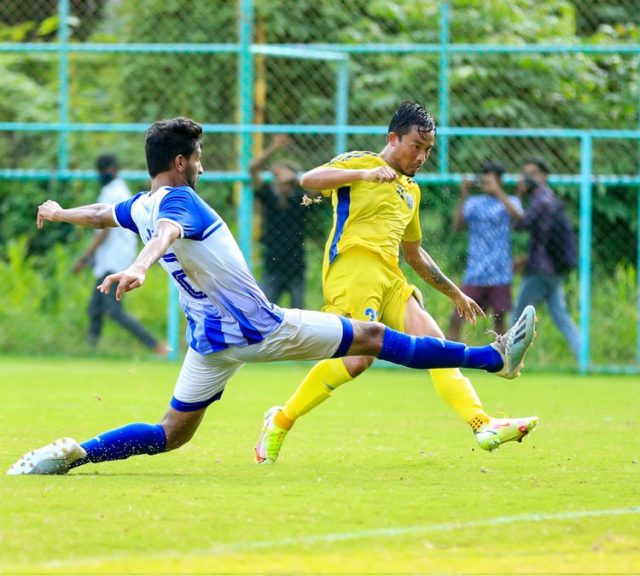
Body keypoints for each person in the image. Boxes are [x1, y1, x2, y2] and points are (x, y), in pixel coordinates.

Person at [8, 116, 537, 476]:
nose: (202, 163)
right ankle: (494, 358)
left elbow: (104, 214)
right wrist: (140, 267)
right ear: (179, 161)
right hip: (261, 328)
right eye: (197, 156)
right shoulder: (181, 203)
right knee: (374, 338)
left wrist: (59, 214)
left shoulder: (143, 204)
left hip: (208, 342)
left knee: (171, 434)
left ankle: (77, 454)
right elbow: (167, 234)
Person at [255, 102, 538, 465]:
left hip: (392, 277)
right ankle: (279, 421)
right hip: (353, 270)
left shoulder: (411, 192)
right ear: (393, 138)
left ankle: (482, 424)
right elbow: (308, 181)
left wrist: (455, 293)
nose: (422, 157)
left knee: (437, 347)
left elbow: (415, 254)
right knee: (358, 361)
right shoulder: (360, 161)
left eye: (428, 150)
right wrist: (365, 175)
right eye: (415, 147)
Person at [73, 154, 166, 355]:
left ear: (114, 169)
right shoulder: (116, 190)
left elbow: (103, 230)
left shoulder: (113, 192)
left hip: (115, 260)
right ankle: (91, 351)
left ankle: (157, 347)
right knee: (95, 309)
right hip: (111, 259)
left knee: (114, 311)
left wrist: (85, 257)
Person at [504, 158, 580, 359]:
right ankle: (584, 356)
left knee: (518, 316)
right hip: (554, 269)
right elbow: (543, 238)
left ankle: (506, 359)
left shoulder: (541, 200)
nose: (528, 178)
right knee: (560, 316)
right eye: (525, 173)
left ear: (544, 176)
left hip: (540, 271)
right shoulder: (550, 199)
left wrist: (518, 196)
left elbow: (520, 225)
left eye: (533, 173)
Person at [448, 162, 522, 340]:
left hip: (500, 272)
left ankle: (503, 360)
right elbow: (457, 226)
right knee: (457, 315)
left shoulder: (510, 200)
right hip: (476, 272)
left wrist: (498, 192)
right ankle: (448, 356)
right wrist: (463, 193)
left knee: (500, 320)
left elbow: (519, 217)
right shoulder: (474, 203)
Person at [249, 134, 318, 308]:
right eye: (276, 178)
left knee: (299, 316)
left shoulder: (299, 199)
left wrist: (294, 178)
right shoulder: (269, 198)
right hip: (272, 267)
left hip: (296, 268)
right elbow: (253, 168)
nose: (279, 183)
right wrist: (274, 147)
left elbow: (319, 188)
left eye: (283, 180)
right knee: (265, 313)